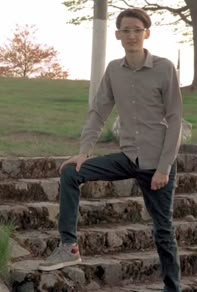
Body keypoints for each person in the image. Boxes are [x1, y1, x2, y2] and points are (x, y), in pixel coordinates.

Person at [38, 7, 182, 292]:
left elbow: (176, 118)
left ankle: (172, 288)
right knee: (71, 173)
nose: (131, 35)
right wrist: (84, 151)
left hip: (157, 163)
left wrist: (164, 168)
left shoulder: (164, 67)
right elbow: (98, 111)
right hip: (128, 156)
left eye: (137, 30)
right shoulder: (114, 70)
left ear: (146, 34)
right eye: (126, 30)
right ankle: (69, 247)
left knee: (163, 230)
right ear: (117, 35)